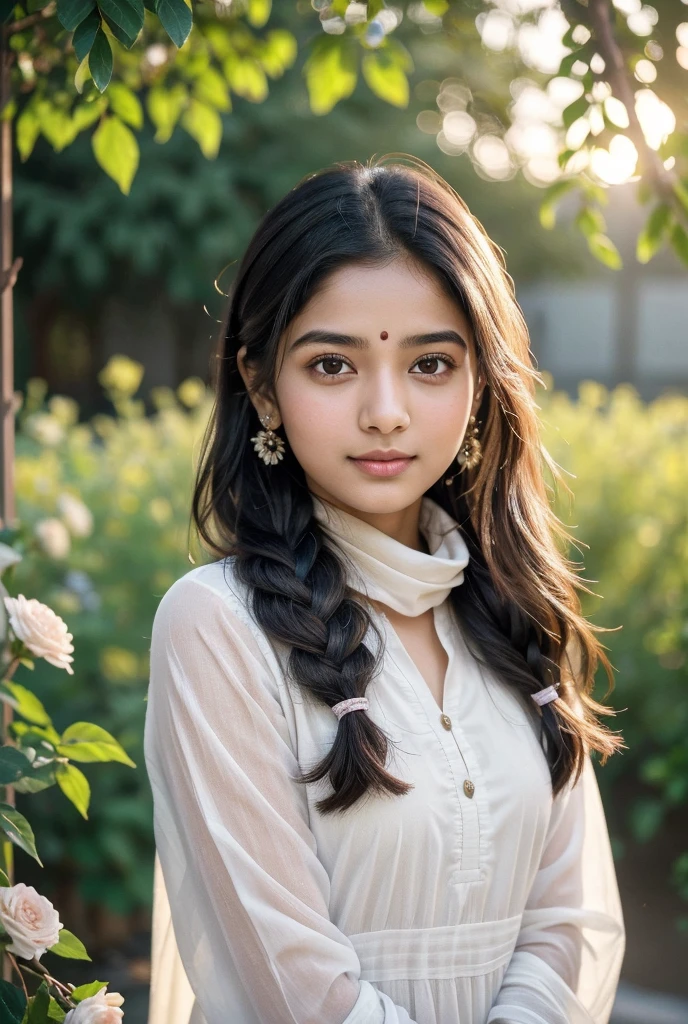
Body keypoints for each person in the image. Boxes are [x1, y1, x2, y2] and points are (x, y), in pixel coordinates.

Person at [143, 155, 626, 1024]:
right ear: (261, 386)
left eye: (431, 364)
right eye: (333, 366)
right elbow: (293, 981)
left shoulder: (514, 609)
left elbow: (570, 920)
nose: (386, 410)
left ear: (480, 381)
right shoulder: (219, 627)